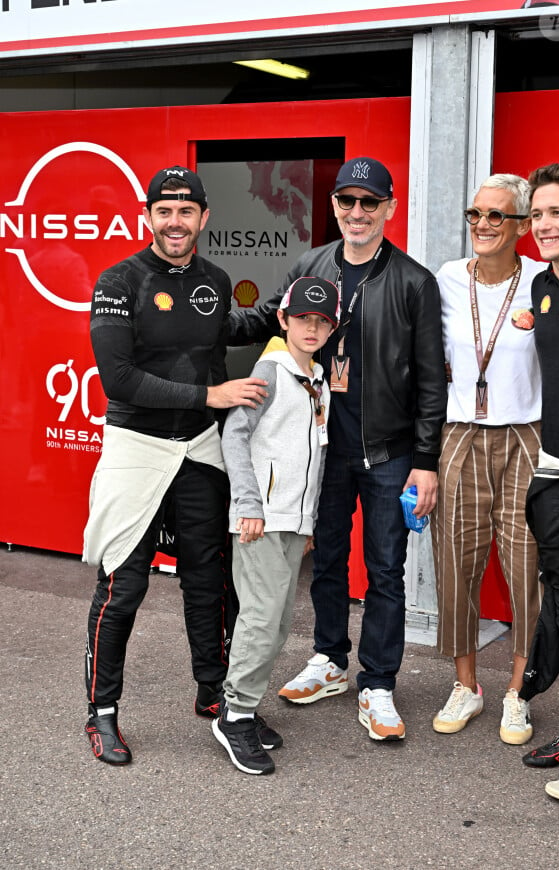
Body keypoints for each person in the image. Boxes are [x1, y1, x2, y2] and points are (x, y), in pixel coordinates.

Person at [228, 157, 447, 740]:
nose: (356, 213)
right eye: (347, 202)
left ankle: (377, 683)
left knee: (384, 570)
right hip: (322, 449)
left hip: (389, 452)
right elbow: (265, 317)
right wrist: (195, 323)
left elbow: (431, 380)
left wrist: (426, 462)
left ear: (389, 209)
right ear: (334, 206)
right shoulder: (312, 262)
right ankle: (328, 659)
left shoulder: (413, 281)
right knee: (324, 562)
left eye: (369, 203)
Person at [82, 165, 269, 765]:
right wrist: (208, 397)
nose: (175, 221)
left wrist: (299, 307)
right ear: (148, 216)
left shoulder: (215, 278)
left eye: (186, 211)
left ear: (204, 218)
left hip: (199, 449)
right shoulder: (119, 280)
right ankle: (102, 713)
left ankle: (213, 693)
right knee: (123, 584)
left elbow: (223, 338)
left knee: (210, 581)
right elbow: (120, 379)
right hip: (137, 445)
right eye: (165, 210)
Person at [431, 174, 544, 744]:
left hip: (527, 436)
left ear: (522, 225)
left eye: (497, 216)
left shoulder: (545, 284)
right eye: (475, 213)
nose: (483, 225)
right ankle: (466, 686)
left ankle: (517, 693)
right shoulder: (448, 279)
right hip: (459, 433)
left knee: (527, 567)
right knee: (455, 564)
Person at [213, 276, 340, 775]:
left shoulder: (318, 380)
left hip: (293, 520)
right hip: (259, 519)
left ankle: (243, 706)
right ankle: (234, 715)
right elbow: (234, 438)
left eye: (321, 321)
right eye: (302, 318)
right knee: (262, 620)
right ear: (283, 320)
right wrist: (248, 504)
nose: (311, 328)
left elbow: (318, 456)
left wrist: (307, 522)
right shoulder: (270, 370)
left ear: (330, 329)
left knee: (280, 622)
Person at [516, 161, 559, 774]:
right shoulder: (540, 287)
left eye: (558, 211)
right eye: (537, 214)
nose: (544, 224)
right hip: (557, 469)